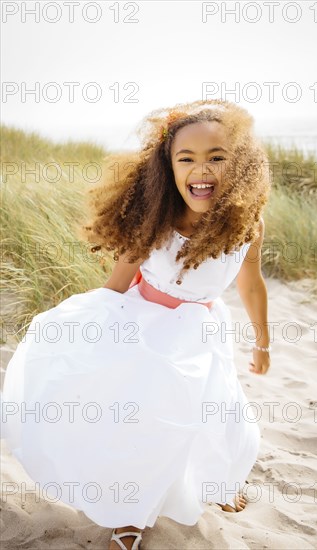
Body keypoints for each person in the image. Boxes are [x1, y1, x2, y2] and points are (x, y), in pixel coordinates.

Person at [1, 99, 271, 550]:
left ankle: (218, 483)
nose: (200, 171)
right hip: (142, 329)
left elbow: (252, 282)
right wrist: (85, 332)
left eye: (216, 158)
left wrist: (262, 341)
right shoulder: (154, 220)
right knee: (144, 427)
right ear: (168, 167)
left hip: (202, 332)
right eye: (186, 159)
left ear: (240, 165)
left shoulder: (247, 224)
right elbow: (116, 286)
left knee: (217, 415)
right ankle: (129, 516)